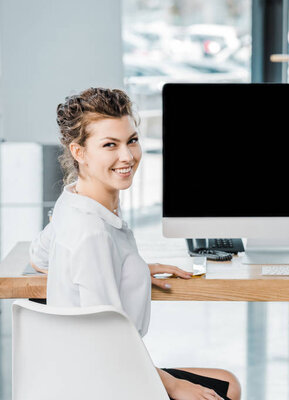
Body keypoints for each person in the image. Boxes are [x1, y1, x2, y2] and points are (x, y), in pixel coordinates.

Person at [29, 87, 241, 400]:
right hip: (105, 378)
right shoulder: (93, 234)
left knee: (227, 381)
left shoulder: (72, 200)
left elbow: (39, 257)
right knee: (222, 391)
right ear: (79, 152)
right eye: (109, 145)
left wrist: (128, 268)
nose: (127, 156)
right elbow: (108, 338)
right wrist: (172, 384)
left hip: (81, 366)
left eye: (132, 140)